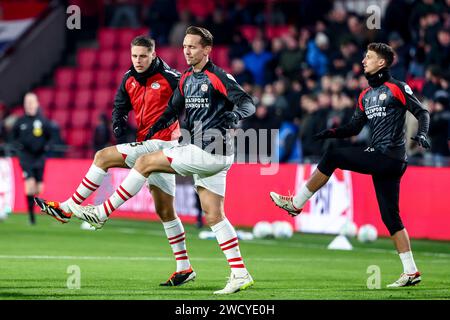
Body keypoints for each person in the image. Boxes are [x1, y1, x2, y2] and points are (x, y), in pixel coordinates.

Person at [67, 26, 256, 295]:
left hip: (209, 149)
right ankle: (240, 273)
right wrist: (154, 129)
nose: (187, 51)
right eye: (185, 46)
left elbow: (248, 103)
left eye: (193, 46)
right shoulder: (186, 79)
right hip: (210, 154)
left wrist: (235, 116)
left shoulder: (218, 76)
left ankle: (101, 212)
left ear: (207, 50)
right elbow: (171, 111)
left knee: (144, 162)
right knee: (214, 214)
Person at [35, 36, 196, 287]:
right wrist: (119, 125)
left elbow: (190, 100)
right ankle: (184, 267)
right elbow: (119, 106)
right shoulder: (129, 77)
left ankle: (70, 207)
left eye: (143, 56)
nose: (138, 61)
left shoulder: (171, 77)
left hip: (165, 143)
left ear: (153, 55)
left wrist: (186, 125)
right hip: (148, 145)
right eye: (134, 56)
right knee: (165, 211)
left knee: (103, 156)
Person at [270, 43, 431, 288]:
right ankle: (411, 272)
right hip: (383, 162)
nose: (364, 60)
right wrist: (331, 132)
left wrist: (422, 134)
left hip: (389, 156)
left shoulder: (396, 87)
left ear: (382, 63)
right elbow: (353, 128)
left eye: (369, 57)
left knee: (334, 156)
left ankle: (296, 203)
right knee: (391, 218)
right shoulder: (365, 95)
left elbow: (423, 112)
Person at [12, 93, 53, 225]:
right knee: (29, 186)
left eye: (31, 102)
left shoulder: (43, 121)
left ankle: (35, 206)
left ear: (37, 104)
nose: (29, 104)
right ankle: (31, 217)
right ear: (24, 104)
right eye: (27, 102)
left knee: (39, 188)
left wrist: (47, 147)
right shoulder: (20, 122)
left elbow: (50, 136)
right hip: (25, 157)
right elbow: (13, 137)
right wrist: (17, 148)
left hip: (39, 157)